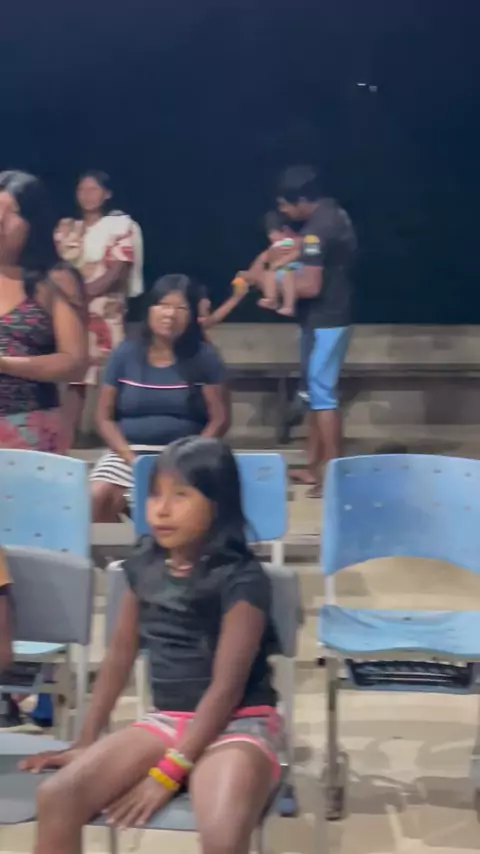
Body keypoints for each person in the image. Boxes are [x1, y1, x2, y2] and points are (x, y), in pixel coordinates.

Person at [21, 437, 285, 854]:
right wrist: (86, 740)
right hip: (167, 721)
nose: (162, 509)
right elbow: (119, 656)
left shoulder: (242, 578)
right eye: (155, 495)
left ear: (218, 504)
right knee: (57, 797)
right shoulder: (142, 566)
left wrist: (167, 773)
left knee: (221, 836)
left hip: (237, 724)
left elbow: (226, 689)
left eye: (181, 495)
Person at [0, 170, 88, 728]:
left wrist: (7, 363)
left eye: (7, 213)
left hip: (29, 428)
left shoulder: (53, 280)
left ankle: (44, 677)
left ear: (31, 222)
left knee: (31, 553)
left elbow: (74, 360)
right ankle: (4, 688)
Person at [90, 274, 230, 522]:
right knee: (95, 497)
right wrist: (131, 458)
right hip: (128, 451)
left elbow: (219, 420)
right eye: (163, 305)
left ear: (192, 315)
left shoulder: (204, 357)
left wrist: (189, 457)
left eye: (180, 308)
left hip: (184, 455)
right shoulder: (125, 353)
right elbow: (104, 417)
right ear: (149, 309)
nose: (170, 314)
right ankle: (119, 545)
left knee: (177, 507)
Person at [276, 165, 357, 497]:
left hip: (328, 319)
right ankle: (313, 467)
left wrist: (277, 284)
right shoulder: (333, 214)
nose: (283, 210)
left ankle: (333, 475)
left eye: (285, 204)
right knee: (313, 392)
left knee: (323, 395)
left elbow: (310, 285)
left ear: (301, 200)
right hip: (324, 318)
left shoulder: (317, 229)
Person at [54, 171, 144, 446]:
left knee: (109, 374)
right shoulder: (67, 228)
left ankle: (114, 437)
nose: (87, 195)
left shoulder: (120, 226)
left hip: (104, 311)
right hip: (70, 309)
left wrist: (83, 295)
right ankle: (66, 440)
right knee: (74, 374)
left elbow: (117, 270)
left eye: (94, 189)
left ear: (107, 194)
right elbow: (56, 268)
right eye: (82, 189)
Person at [255, 211, 301, 316]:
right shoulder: (274, 246)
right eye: (269, 234)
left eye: (274, 233)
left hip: (294, 267)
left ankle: (289, 306)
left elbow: (296, 253)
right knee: (268, 272)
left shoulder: (290, 241)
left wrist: (280, 262)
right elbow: (266, 258)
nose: (271, 237)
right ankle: (271, 299)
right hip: (279, 269)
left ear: (284, 231)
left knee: (287, 273)